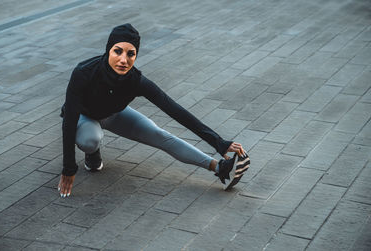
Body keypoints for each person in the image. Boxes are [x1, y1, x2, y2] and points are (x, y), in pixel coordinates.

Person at [58, 24, 250, 197]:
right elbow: (69, 122)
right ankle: (92, 153)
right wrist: (68, 168)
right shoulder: (84, 72)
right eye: (118, 51)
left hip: (114, 115)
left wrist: (219, 143)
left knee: (159, 134)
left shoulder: (136, 81)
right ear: (108, 50)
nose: (123, 60)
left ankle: (220, 168)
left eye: (130, 54)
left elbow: (175, 110)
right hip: (84, 117)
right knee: (90, 139)